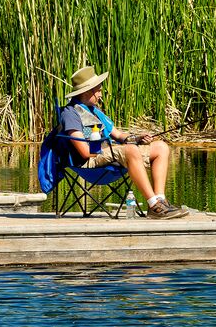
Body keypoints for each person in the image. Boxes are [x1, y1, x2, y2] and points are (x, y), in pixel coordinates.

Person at [60, 65, 187, 219]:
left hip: (108, 155)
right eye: (98, 90)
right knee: (130, 150)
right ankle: (154, 205)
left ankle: (161, 201)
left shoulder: (95, 112)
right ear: (88, 91)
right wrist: (119, 149)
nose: (101, 94)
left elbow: (119, 135)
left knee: (161, 147)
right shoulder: (71, 113)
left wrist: (136, 138)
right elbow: (85, 152)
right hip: (89, 162)